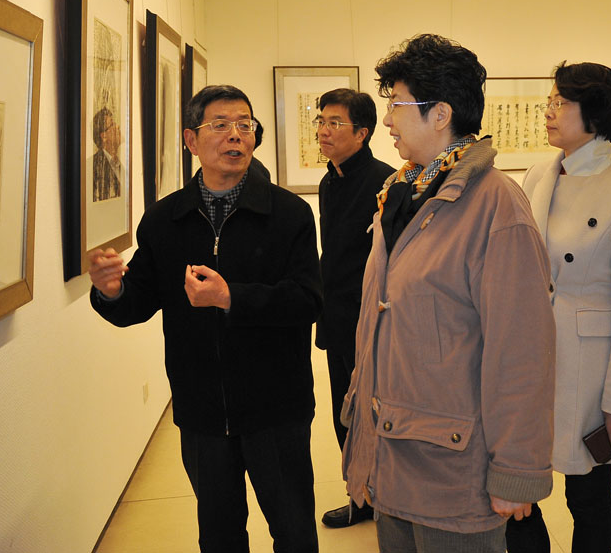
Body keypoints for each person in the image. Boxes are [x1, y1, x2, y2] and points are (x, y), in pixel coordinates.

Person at [340, 34, 557, 552]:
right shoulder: (401, 194)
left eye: (396, 105)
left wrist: (516, 470)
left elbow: (522, 351)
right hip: (391, 459)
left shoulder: (495, 206)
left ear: (440, 114)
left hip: (454, 471)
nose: (386, 120)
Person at [88, 84, 322, 553]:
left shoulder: (289, 213)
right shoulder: (164, 220)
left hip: (276, 407)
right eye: (220, 125)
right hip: (202, 410)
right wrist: (111, 291)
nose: (235, 135)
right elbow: (138, 302)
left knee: (294, 532)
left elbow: (308, 300)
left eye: (244, 125)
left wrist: (231, 297)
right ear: (191, 140)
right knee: (219, 535)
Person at [509, 62, 611, 553]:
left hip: (588, 367)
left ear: (593, 111)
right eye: (548, 102)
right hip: (532, 354)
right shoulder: (538, 174)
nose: (548, 112)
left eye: (560, 103)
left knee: (589, 495)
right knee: (518, 482)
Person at [313, 88, 394, 529]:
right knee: (342, 414)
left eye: (335, 123)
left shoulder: (386, 183)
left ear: (362, 133)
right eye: (321, 121)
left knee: (374, 415)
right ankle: (360, 496)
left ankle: (387, 498)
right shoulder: (330, 181)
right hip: (336, 318)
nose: (323, 131)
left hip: (371, 322)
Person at [92, 106, 122, 201]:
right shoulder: (95, 166)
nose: (118, 127)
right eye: (112, 124)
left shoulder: (118, 164)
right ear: (104, 136)